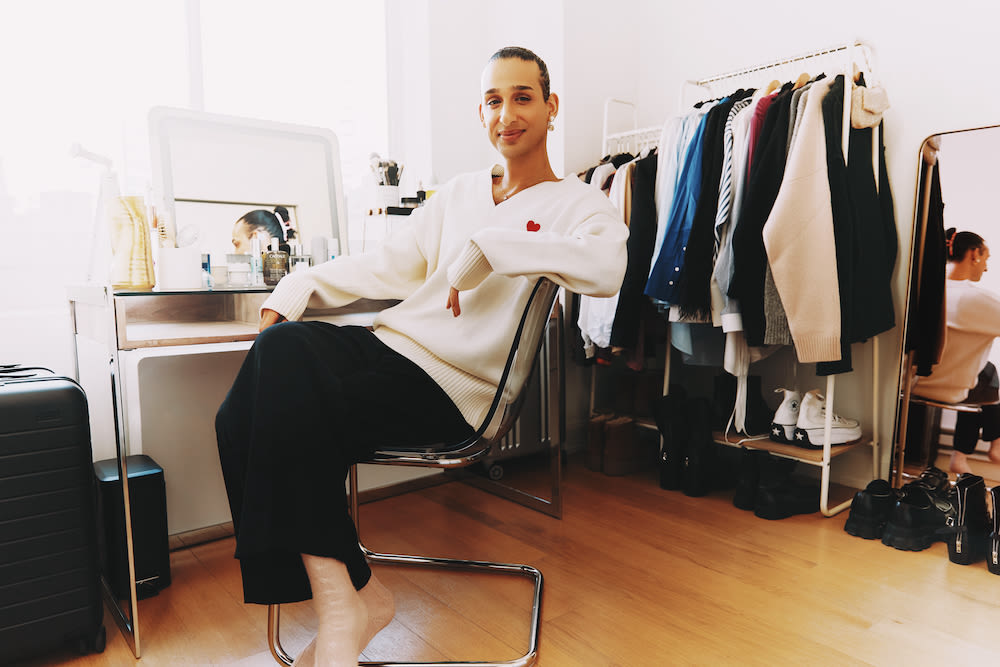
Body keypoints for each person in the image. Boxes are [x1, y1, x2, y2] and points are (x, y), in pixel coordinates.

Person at [215, 46, 627, 667]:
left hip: (458, 389)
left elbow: (608, 268)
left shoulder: (579, 205)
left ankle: (346, 604)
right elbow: (387, 266)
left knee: (284, 405)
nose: (507, 114)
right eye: (493, 101)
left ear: (551, 107)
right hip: (390, 347)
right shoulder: (458, 193)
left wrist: (493, 247)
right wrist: (298, 286)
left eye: (523, 97)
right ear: (480, 113)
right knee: (259, 380)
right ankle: (350, 597)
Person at [913, 228, 1000, 474]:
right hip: (951, 388)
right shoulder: (980, 301)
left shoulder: (920, 288)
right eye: (986, 258)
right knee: (988, 373)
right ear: (973, 254)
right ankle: (994, 444)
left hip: (908, 383)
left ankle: (985, 447)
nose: (986, 268)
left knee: (987, 371)